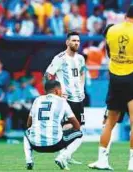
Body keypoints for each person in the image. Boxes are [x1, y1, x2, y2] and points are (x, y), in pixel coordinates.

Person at [88, 5, 133, 171]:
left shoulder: (111, 30)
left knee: (109, 122)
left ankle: (102, 160)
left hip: (115, 79)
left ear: (125, 16)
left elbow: (109, 53)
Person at [44, 31, 86, 164]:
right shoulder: (60, 58)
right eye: (73, 40)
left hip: (79, 98)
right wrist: (56, 92)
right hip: (66, 99)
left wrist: (82, 87)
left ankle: (66, 156)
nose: (76, 43)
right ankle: (62, 155)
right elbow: (48, 74)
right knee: (68, 127)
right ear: (67, 42)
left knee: (79, 128)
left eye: (78, 41)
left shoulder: (80, 58)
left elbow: (82, 72)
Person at [23, 80, 83, 170]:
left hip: (36, 145)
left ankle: (29, 160)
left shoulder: (37, 100)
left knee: (26, 133)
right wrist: (65, 128)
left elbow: (29, 124)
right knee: (79, 133)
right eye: (61, 90)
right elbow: (77, 126)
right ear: (57, 91)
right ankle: (62, 157)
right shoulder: (62, 101)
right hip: (55, 144)